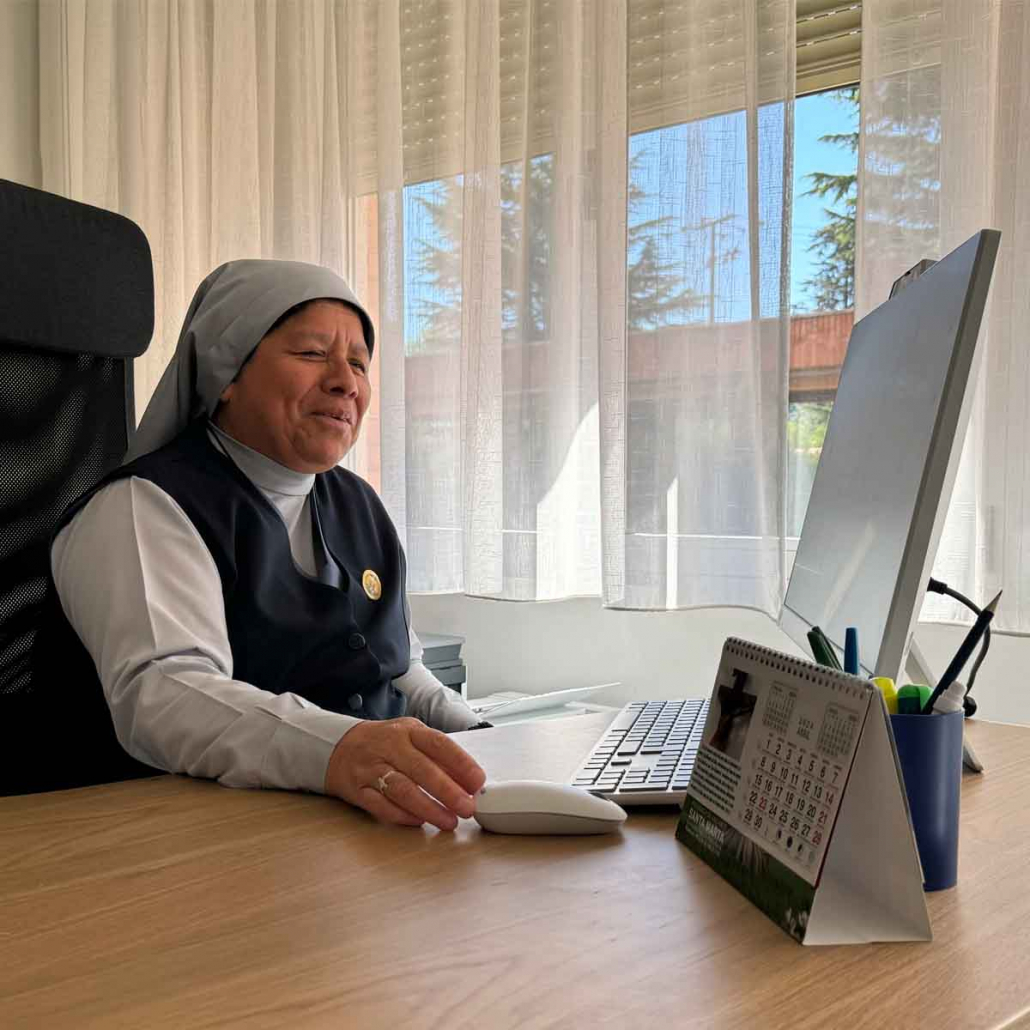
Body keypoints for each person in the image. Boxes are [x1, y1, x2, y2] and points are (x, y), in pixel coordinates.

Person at [38, 259, 486, 830]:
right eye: (312, 353)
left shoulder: (359, 504)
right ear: (226, 373)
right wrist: (341, 749)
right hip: (172, 840)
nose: (346, 381)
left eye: (358, 362)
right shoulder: (142, 506)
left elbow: (401, 669)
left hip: (343, 829)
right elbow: (166, 696)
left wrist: (481, 738)